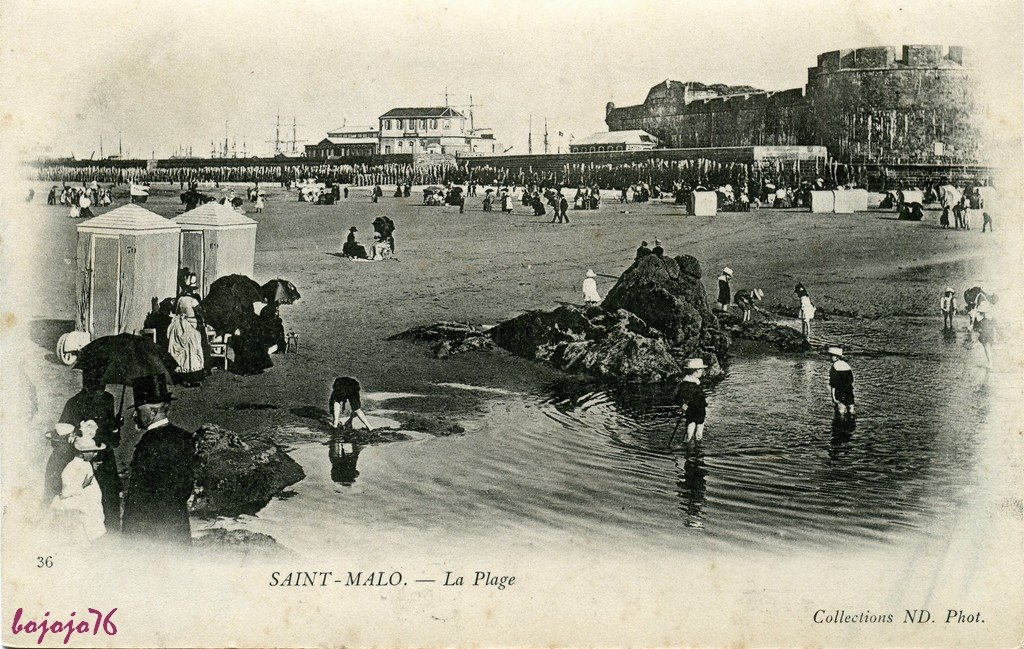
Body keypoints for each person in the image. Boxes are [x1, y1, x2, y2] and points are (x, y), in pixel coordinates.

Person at [122, 375, 195, 546]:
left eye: (139, 411)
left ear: (154, 412)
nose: (134, 415)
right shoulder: (184, 436)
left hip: (151, 532)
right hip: (177, 524)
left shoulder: (148, 444)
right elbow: (187, 484)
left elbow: (138, 496)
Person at [54, 370, 122, 534]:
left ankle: (107, 535)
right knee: (90, 505)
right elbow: (64, 436)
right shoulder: (77, 403)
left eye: (101, 385)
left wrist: (114, 427)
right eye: (96, 385)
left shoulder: (105, 399)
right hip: (87, 461)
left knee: (106, 500)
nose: (100, 390)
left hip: (99, 459)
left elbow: (113, 438)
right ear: (87, 383)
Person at [48, 420, 107, 544]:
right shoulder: (73, 466)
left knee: (92, 526)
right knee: (82, 534)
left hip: (88, 506)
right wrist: (84, 485)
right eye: (93, 451)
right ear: (82, 452)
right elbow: (67, 490)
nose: (96, 454)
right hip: (77, 508)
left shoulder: (84, 464)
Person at [167, 294, 205, 387]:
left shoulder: (180, 299)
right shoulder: (193, 300)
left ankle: (182, 378)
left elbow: (175, 312)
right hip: (190, 326)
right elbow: (200, 312)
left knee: (183, 353)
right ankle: (190, 379)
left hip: (179, 326)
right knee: (191, 352)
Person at [676, 358, 708, 444]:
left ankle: (688, 441)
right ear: (697, 371)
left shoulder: (685, 384)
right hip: (698, 409)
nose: (702, 371)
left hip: (692, 409)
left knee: (690, 424)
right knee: (698, 426)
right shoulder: (692, 384)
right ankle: (697, 442)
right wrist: (682, 403)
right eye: (701, 370)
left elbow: (678, 396)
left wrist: (682, 404)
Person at [827, 346, 855, 422]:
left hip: (840, 392)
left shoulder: (834, 366)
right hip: (849, 391)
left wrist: (833, 398)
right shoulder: (847, 365)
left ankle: (840, 428)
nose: (829, 357)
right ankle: (851, 426)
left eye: (831, 355)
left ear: (836, 357)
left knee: (840, 412)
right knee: (851, 410)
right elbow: (851, 380)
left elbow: (833, 384)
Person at [974, 303, 997, 368]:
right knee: (986, 349)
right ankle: (989, 362)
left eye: (982, 312)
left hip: (989, 334)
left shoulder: (990, 318)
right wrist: (978, 329)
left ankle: (990, 363)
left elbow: (995, 326)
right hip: (983, 335)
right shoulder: (979, 318)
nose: (981, 313)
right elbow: (975, 327)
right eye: (981, 312)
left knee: (987, 348)